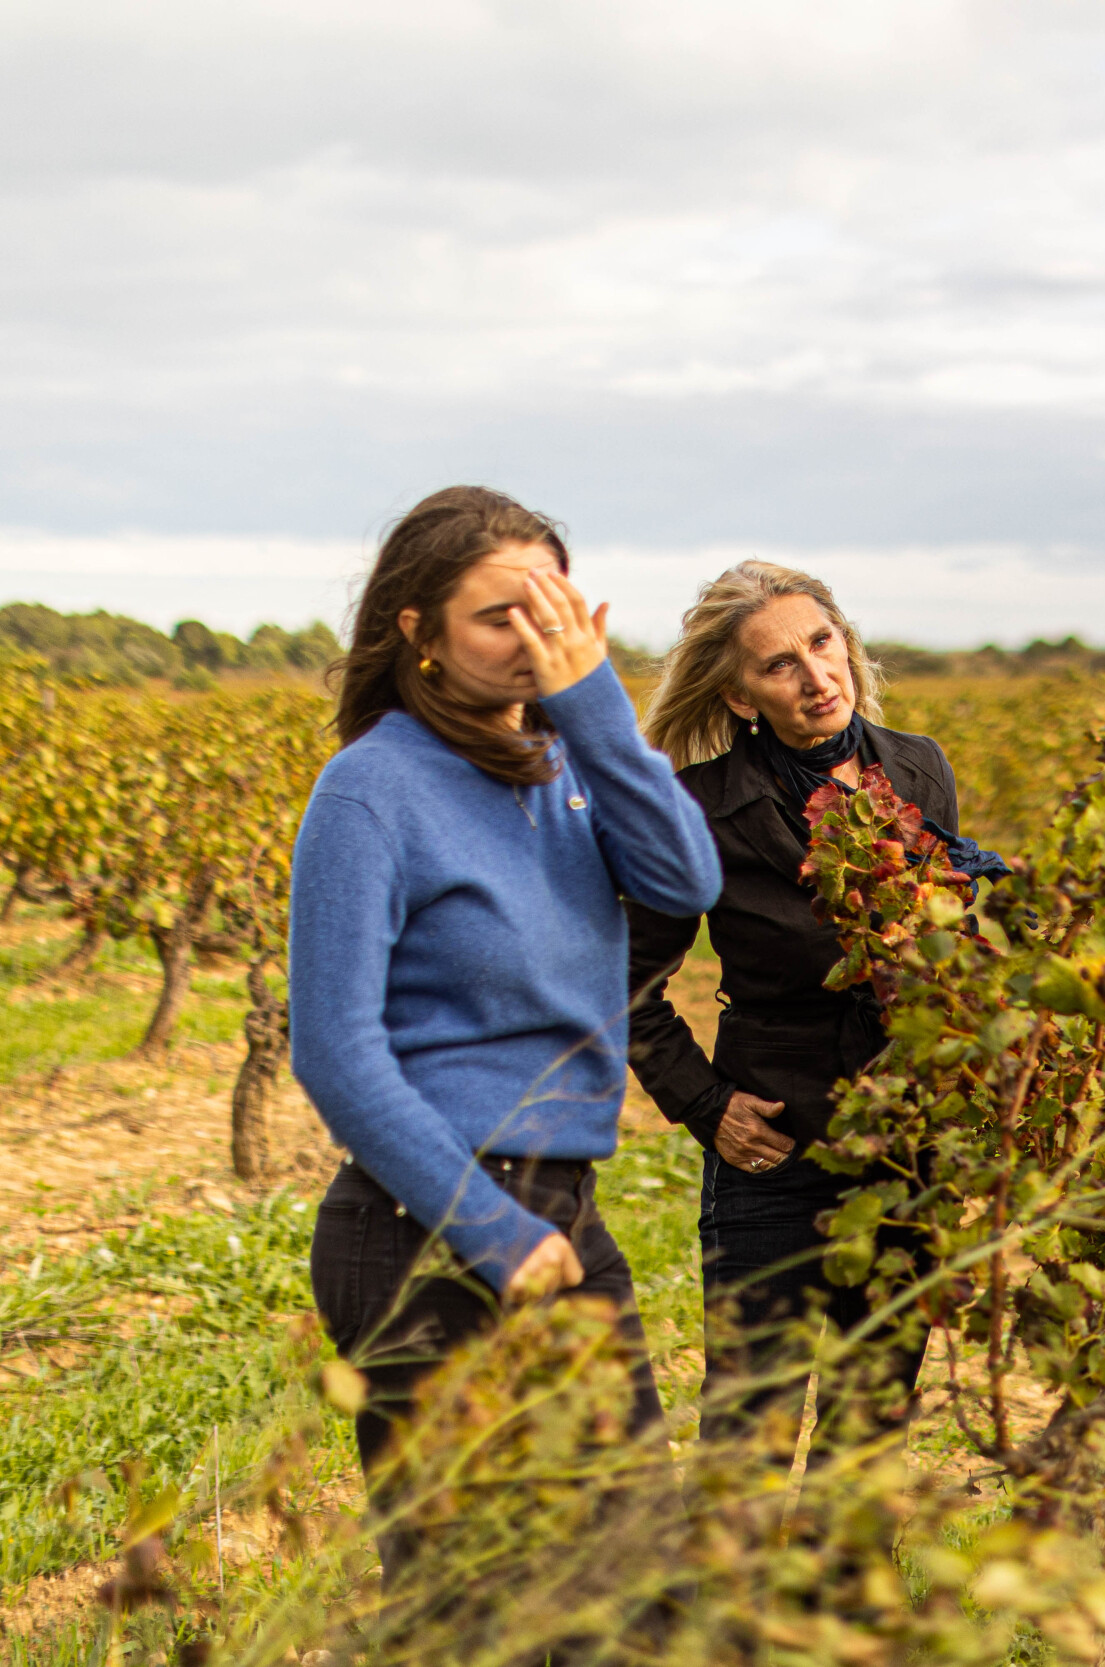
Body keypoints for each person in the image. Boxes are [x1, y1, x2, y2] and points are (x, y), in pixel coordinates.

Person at [293, 486, 722, 1579]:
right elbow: (335, 1048)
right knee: (470, 1602)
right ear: (416, 631)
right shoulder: (370, 791)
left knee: (624, 1588)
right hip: (426, 1225)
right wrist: (488, 1228)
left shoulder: (570, 765)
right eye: (498, 615)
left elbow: (685, 876)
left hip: (562, 1204)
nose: (534, 636)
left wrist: (597, 711)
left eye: (552, 606)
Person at [628, 560, 1001, 1455]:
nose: (816, 675)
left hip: (902, 1143)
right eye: (778, 664)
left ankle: (839, 1600)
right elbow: (625, 982)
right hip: (774, 1147)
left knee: (867, 1432)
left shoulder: (919, 768)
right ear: (744, 695)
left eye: (821, 643)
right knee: (747, 1437)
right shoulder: (701, 809)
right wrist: (706, 1105)